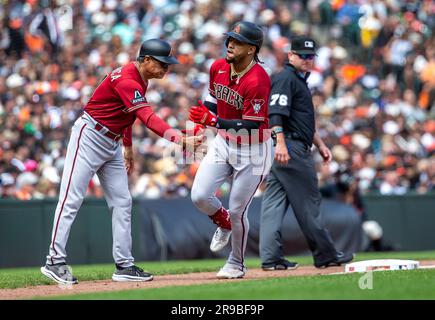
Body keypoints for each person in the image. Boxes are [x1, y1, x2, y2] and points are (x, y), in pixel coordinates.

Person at [41, 39, 202, 285]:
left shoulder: (141, 78)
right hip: (90, 136)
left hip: (112, 142)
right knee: (70, 199)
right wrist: (179, 139)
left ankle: (124, 265)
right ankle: (54, 260)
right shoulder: (127, 79)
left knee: (122, 202)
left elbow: (127, 114)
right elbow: (147, 117)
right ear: (146, 60)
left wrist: (126, 145)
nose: (166, 69)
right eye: (162, 64)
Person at [259, 36, 354, 270]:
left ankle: (270, 257)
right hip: (289, 148)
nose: (307, 59)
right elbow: (276, 114)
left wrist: (320, 144)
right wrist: (280, 143)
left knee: (274, 203)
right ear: (290, 55)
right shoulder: (286, 78)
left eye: (310, 56)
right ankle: (325, 254)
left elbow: (302, 122)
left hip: (288, 145)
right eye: (302, 55)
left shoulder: (298, 80)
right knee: (309, 204)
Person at [189, 21, 273, 279]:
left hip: (255, 149)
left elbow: (249, 125)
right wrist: (202, 123)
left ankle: (236, 263)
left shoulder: (258, 79)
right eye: (230, 39)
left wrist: (212, 121)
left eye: (237, 41)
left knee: (239, 211)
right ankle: (222, 221)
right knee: (199, 196)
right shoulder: (218, 67)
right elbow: (213, 100)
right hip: (224, 143)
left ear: (251, 49)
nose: (230, 44)